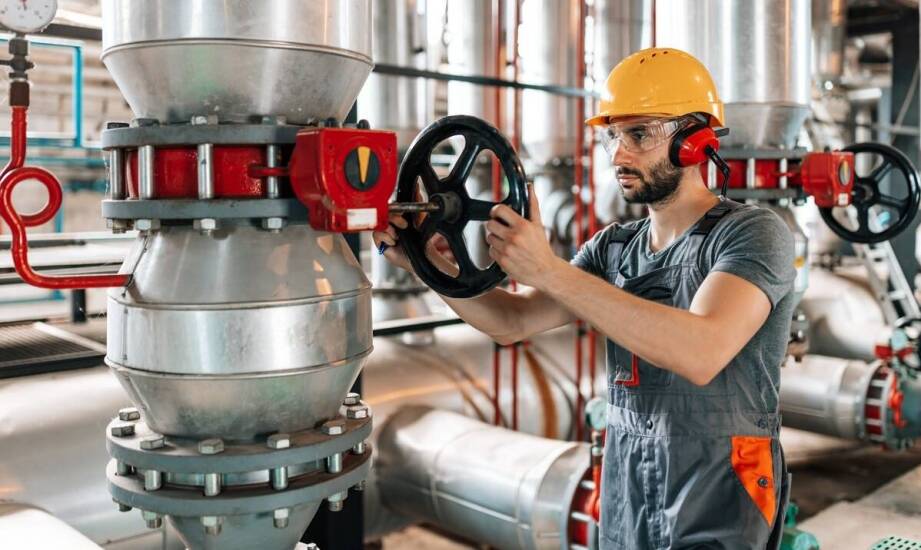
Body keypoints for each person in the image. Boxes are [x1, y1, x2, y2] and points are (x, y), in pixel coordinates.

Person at [373, 47, 796, 549]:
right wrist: (427, 264)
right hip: (627, 482)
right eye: (613, 136)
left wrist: (548, 268)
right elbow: (512, 321)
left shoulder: (752, 233)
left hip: (721, 485)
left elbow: (701, 352)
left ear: (695, 141)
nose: (619, 154)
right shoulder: (613, 247)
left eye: (639, 134)